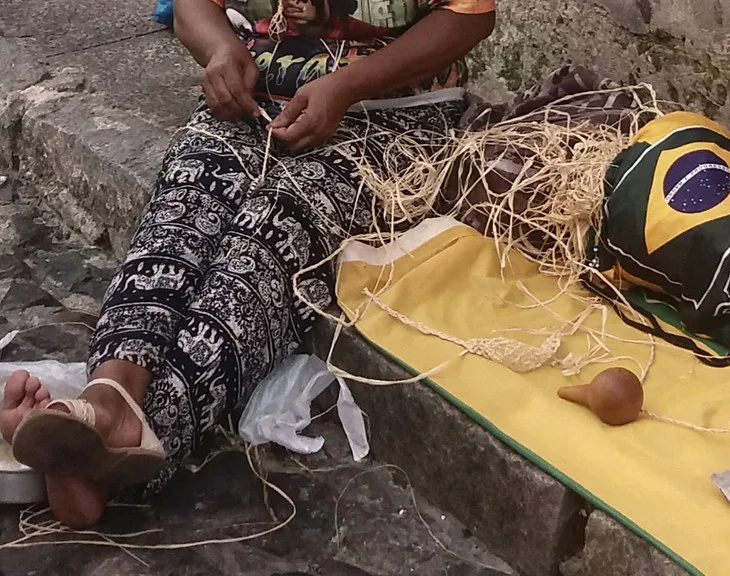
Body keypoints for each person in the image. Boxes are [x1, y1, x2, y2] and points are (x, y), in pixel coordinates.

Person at [0, 0, 495, 528]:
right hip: (250, 101)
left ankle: (107, 448)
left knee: (268, 234)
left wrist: (347, 86)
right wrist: (220, 50)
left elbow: (470, 15)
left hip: (391, 118)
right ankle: (109, 396)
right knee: (183, 209)